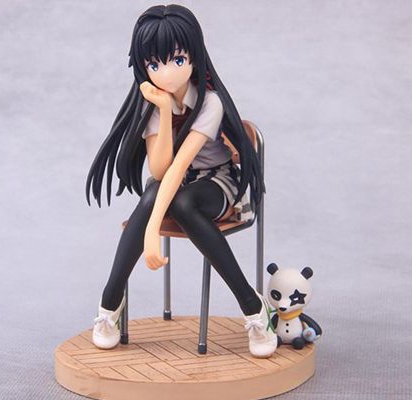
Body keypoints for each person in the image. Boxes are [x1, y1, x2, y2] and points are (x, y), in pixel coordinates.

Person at [85, 4, 277, 358]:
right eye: (154, 64)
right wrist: (161, 109)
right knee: (157, 194)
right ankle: (110, 300)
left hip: (216, 183)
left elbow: (179, 167)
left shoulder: (210, 102)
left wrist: (151, 230)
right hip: (176, 182)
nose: (167, 73)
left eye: (177, 60)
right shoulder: (151, 102)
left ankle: (253, 307)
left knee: (182, 201)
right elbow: (160, 171)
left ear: (194, 56)